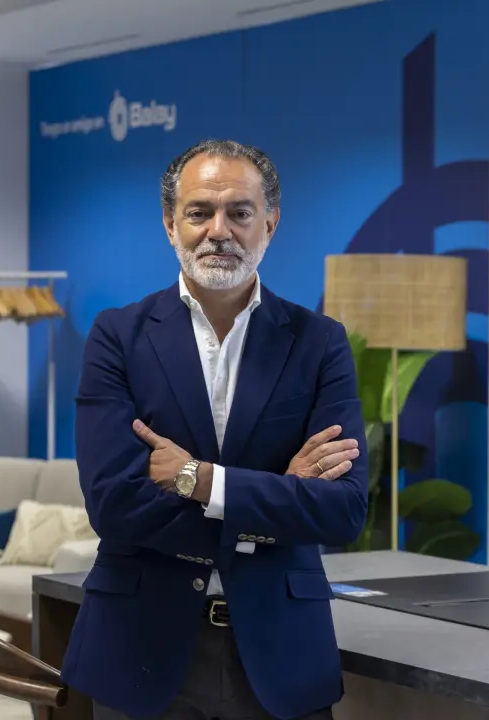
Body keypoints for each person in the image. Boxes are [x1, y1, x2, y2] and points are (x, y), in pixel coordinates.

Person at [62, 139, 369, 720]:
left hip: (282, 655)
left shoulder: (319, 342)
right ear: (170, 225)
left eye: (239, 212)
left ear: (270, 224)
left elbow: (343, 510)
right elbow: (114, 505)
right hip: (141, 651)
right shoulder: (117, 337)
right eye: (199, 212)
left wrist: (198, 480)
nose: (218, 231)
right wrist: (277, 499)